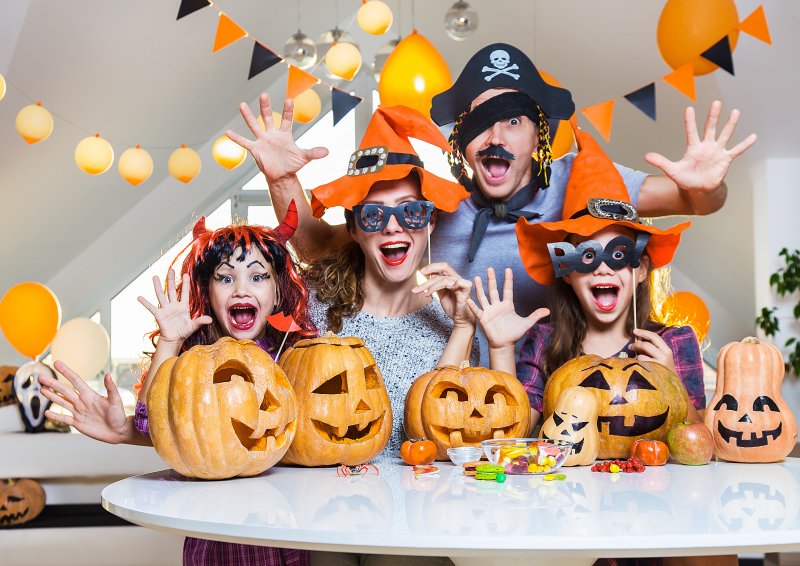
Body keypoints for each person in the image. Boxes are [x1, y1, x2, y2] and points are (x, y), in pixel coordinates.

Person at [256, 43, 757, 364]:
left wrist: (704, 183)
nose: (495, 137)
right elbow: (319, 245)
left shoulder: (582, 185)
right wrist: (282, 181)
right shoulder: (431, 206)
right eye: (479, 123)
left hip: (560, 404)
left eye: (513, 120)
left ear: (538, 134)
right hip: (455, 406)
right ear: (462, 142)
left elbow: (698, 201)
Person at [41, 206, 317, 566]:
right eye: (226, 278)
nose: (241, 289)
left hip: (283, 529)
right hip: (216, 534)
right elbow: (148, 423)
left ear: (278, 292)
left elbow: (313, 436)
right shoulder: (193, 361)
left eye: (258, 276)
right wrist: (169, 342)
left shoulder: (293, 359)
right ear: (207, 290)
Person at [469, 122, 706, 430]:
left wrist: (670, 380)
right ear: (566, 272)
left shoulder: (674, 343)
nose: (603, 268)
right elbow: (517, 432)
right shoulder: (544, 343)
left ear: (642, 269)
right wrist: (500, 349)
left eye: (619, 255)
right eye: (587, 256)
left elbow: (702, 442)